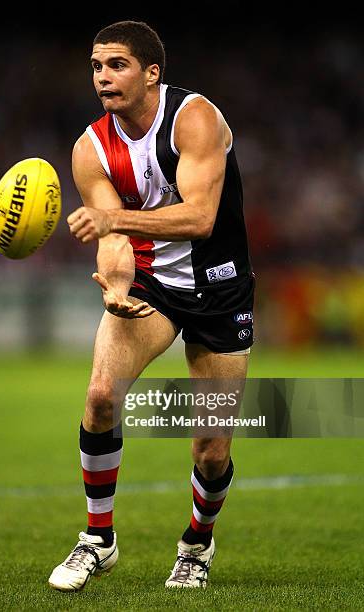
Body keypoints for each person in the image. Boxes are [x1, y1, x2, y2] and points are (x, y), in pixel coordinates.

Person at [48, 20, 254, 591]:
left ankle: (197, 541)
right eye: (95, 66)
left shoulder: (195, 119)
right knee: (99, 396)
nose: (103, 76)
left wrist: (114, 219)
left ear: (151, 72)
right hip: (152, 284)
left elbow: (199, 218)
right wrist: (115, 285)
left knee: (211, 452)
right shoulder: (90, 150)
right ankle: (98, 539)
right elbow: (112, 241)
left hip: (218, 285)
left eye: (117, 64)